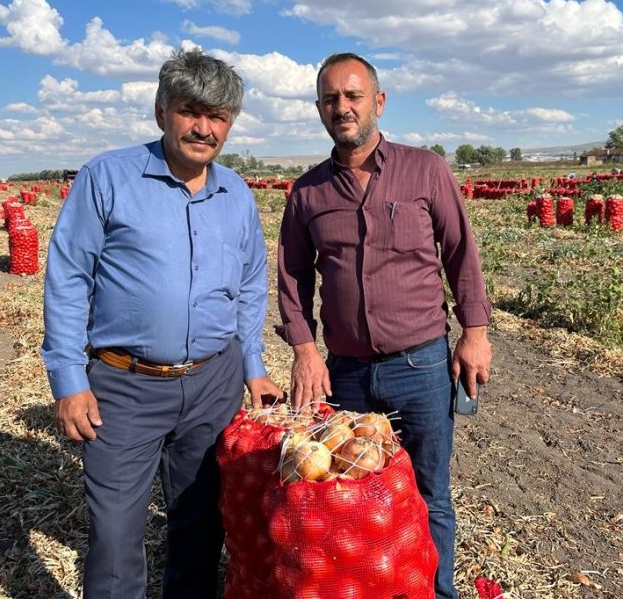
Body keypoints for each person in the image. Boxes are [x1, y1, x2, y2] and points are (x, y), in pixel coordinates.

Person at [42, 48, 281, 598]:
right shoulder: (109, 178)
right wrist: (69, 379)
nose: (203, 127)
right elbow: (69, 277)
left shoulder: (236, 194)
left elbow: (248, 287)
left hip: (214, 383)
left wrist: (253, 367)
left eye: (217, 116)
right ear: (161, 112)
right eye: (189, 110)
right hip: (125, 385)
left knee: (201, 521)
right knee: (115, 533)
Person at [276, 52, 492, 599]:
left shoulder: (426, 169)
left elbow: (462, 253)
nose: (341, 107)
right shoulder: (306, 192)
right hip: (345, 374)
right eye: (330, 99)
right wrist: (304, 348)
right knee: (349, 496)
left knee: (427, 493)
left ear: (378, 101)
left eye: (352, 96)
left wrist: (475, 332)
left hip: (419, 366)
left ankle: (434, 592)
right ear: (320, 108)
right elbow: (293, 276)